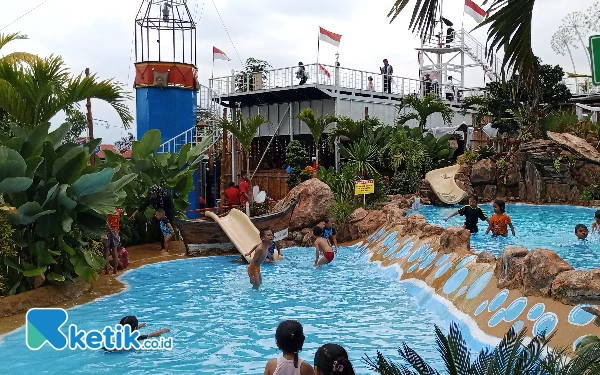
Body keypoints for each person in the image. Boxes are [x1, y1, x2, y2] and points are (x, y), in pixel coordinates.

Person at [131, 185, 175, 250]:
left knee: (166, 230)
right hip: (160, 215)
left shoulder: (165, 197)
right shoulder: (151, 198)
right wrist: (135, 212)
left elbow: (171, 208)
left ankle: (166, 247)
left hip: (168, 214)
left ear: (158, 193)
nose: (152, 195)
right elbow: (144, 205)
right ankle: (163, 246)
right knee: (160, 229)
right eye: (152, 194)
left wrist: (165, 217)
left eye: (154, 194)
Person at [103, 208, 122, 275]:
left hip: (106, 231)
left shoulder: (105, 210)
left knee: (106, 251)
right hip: (115, 230)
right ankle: (115, 270)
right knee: (114, 250)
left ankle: (107, 271)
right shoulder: (118, 210)